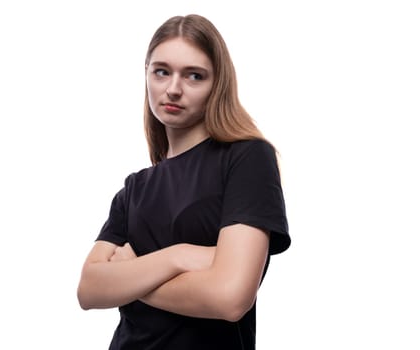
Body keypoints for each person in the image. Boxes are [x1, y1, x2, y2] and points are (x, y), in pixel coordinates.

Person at [77, 14, 291, 350]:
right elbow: (89, 289)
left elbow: (229, 298)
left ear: (217, 83)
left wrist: (130, 275)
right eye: (162, 71)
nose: (173, 88)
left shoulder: (247, 158)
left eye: (194, 76)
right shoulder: (134, 188)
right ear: (146, 74)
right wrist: (179, 256)